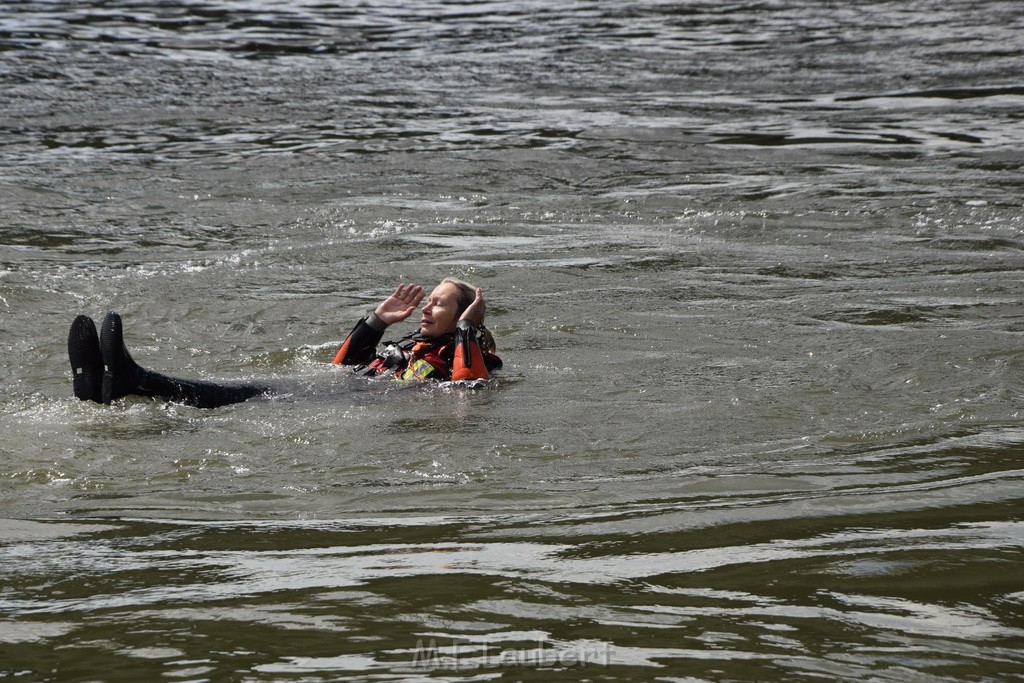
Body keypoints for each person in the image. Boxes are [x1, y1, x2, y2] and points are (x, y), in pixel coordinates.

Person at [67, 278, 502, 409]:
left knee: (238, 394)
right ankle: (109, 385)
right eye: (428, 301)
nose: (425, 309)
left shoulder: (468, 358)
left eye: (440, 305)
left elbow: (467, 389)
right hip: (336, 389)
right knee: (235, 389)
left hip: (338, 403)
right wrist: (375, 322)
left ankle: (132, 379)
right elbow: (341, 367)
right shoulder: (412, 343)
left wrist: (466, 329)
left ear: (464, 316)